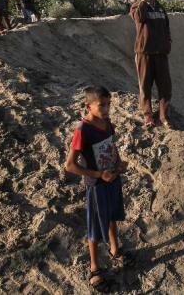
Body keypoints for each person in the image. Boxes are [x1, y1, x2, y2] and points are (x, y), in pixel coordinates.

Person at [64, 86, 132, 292]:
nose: (106, 108)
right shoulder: (82, 130)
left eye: (108, 104)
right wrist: (97, 175)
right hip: (97, 186)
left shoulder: (107, 124)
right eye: (101, 105)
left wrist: (119, 164)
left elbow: (112, 146)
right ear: (88, 106)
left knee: (112, 216)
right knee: (94, 226)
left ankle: (114, 249)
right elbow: (70, 165)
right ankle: (94, 267)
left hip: (112, 179)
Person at [129, 0, 172, 128]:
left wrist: (168, 43)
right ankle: (148, 116)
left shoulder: (160, 7)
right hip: (144, 53)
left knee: (165, 87)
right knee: (145, 87)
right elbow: (138, 18)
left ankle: (164, 117)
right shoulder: (137, 7)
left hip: (161, 54)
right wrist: (141, 0)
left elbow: (166, 26)